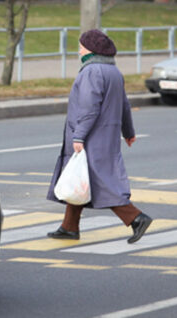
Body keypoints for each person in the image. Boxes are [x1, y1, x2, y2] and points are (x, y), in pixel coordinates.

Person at [46, 29, 152, 244]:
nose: (78, 50)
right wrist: (128, 132)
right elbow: (124, 105)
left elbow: (89, 107)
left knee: (98, 181)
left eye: (81, 46)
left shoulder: (91, 72)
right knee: (80, 178)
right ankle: (69, 227)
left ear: (91, 49)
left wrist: (79, 136)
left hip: (92, 137)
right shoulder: (114, 71)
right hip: (107, 136)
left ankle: (136, 218)